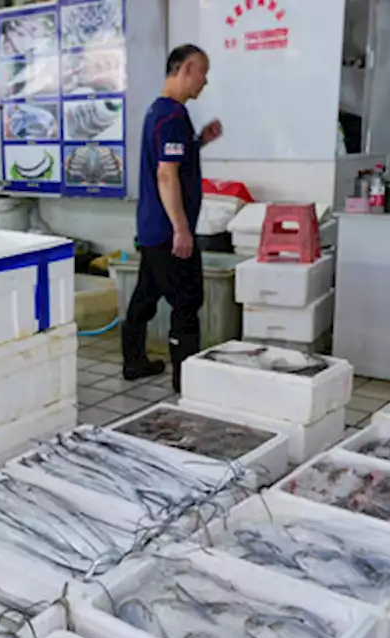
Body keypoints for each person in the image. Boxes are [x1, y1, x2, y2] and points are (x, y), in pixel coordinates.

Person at [123, 44, 223, 391]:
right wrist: (182, 229)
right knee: (187, 301)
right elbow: (166, 175)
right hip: (169, 232)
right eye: (202, 73)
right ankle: (187, 381)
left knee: (145, 298)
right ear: (185, 69)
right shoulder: (171, 116)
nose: (205, 81)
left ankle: (134, 362)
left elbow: (172, 161)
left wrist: (199, 143)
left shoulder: (160, 112)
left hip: (152, 228)